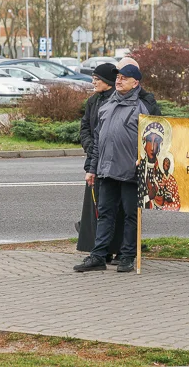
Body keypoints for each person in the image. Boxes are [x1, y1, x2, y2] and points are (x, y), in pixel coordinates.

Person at [73, 64, 157, 274]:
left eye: (124, 78)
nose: (118, 81)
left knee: (130, 215)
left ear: (135, 83)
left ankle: (127, 256)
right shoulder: (107, 106)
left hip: (131, 172)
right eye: (118, 77)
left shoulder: (142, 107)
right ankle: (98, 256)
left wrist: (144, 160)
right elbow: (98, 141)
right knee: (105, 214)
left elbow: (154, 139)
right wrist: (92, 169)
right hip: (106, 170)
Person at [76, 63, 122, 261]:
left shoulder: (116, 100)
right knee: (94, 205)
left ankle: (115, 246)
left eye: (97, 79)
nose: (93, 82)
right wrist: (89, 145)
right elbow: (85, 126)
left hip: (112, 161)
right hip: (94, 158)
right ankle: (95, 245)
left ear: (108, 82)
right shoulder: (93, 101)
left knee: (111, 206)